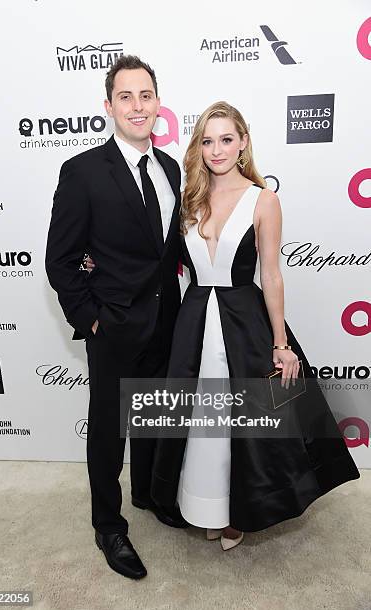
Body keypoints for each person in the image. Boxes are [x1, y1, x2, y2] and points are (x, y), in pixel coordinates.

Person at [150, 101, 360, 551]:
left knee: (240, 424)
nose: (216, 149)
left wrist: (281, 344)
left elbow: (271, 274)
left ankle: (237, 514)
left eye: (226, 139)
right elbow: (166, 262)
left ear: (243, 142)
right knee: (200, 419)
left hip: (244, 322)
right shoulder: (189, 197)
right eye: (207, 140)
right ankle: (205, 505)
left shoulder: (263, 199)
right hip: (193, 322)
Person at [45, 55, 186, 581]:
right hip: (114, 326)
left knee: (153, 417)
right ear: (109, 106)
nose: (137, 106)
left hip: (165, 320)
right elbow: (60, 260)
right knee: (109, 431)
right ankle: (108, 524)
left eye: (145, 95)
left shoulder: (171, 167)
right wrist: (93, 319)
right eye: (125, 97)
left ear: (157, 103)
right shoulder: (82, 171)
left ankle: (149, 495)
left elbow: (167, 250)